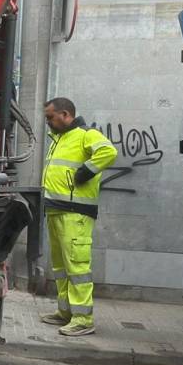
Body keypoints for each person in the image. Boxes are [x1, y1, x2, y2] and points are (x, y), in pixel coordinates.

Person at [41, 97, 117, 337]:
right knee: (61, 267)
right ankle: (66, 312)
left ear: (65, 114)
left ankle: (83, 319)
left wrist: (87, 171)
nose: (48, 122)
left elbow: (109, 151)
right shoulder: (60, 138)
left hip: (75, 214)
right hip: (56, 209)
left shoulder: (86, 134)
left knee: (77, 267)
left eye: (50, 117)